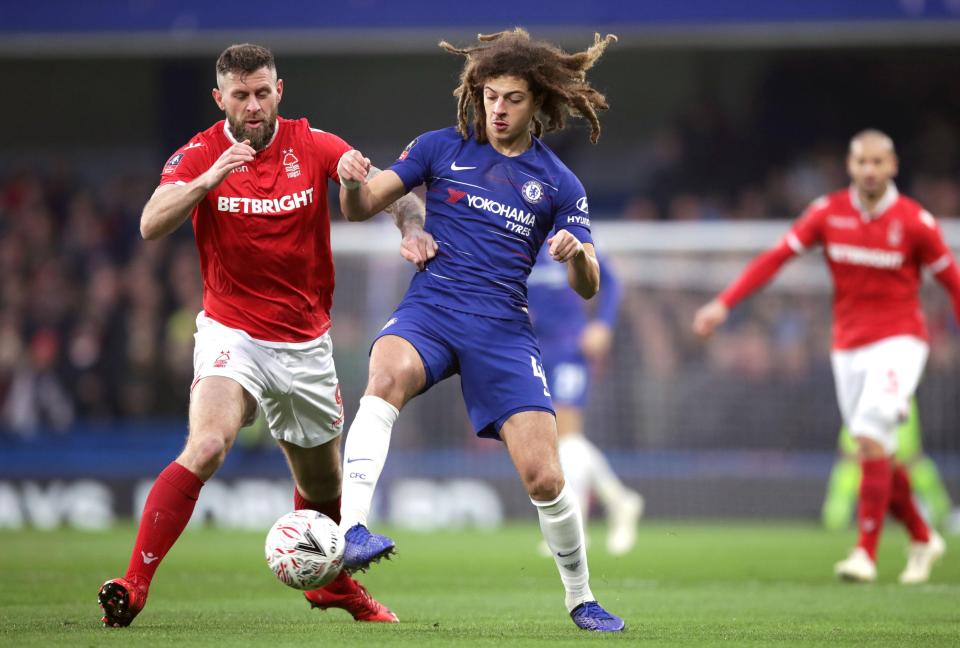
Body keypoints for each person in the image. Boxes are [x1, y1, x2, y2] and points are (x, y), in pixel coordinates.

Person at [97, 43, 420, 627]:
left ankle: (331, 588)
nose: (252, 104)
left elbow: (393, 195)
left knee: (322, 483)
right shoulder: (199, 153)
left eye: (262, 92)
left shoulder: (313, 142)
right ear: (220, 98)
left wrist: (411, 226)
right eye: (240, 95)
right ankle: (134, 583)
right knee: (208, 444)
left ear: (279, 90)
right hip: (232, 334)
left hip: (305, 343)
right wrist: (207, 180)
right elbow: (149, 223)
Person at [332, 29, 625, 632]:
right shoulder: (441, 148)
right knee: (384, 373)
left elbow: (589, 286)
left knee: (545, 475)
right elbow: (362, 207)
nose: (498, 108)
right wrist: (351, 180)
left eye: (512, 98)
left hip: (502, 328)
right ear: (476, 94)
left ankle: (581, 598)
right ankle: (351, 530)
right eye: (490, 96)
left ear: (535, 102)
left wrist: (575, 255)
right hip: (433, 307)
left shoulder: (560, 184)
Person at [693, 129, 960, 584]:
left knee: (873, 435)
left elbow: (953, 283)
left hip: (900, 341)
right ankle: (922, 536)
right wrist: (724, 302)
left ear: (893, 167)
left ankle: (864, 553)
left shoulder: (915, 222)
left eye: (879, 162)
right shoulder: (828, 213)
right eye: (862, 162)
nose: (870, 170)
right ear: (850, 166)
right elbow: (775, 258)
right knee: (873, 450)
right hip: (847, 347)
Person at [527, 246, 644, 556]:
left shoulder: (562, 238)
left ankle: (574, 525)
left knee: (566, 435)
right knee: (555, 438)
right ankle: (619, 500)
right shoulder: (517, 238)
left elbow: (612, 280)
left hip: (570, 349)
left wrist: (603, 324)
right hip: (533, 350)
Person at [822, 398, 953, 531]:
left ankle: (943, 521)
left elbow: (909, 441)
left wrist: (900, 457)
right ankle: (836, 528)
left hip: (904, 462)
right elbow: (851, 441)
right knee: (844, 479)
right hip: (860, 463)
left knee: (925, 473)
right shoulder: (860, 392)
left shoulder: (903, 394)